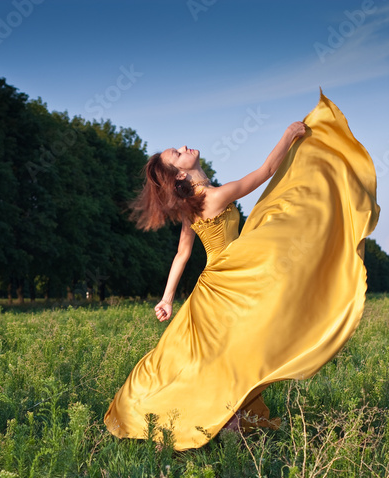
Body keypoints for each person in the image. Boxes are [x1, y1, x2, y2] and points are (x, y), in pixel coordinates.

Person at [104, 91, 380, 450]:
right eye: (177, 152)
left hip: (217, 283)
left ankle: (219, 416)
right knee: (233, 351)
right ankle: (216, 415)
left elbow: (182, 255)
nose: (183, 146)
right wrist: (289, 135)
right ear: (180, 172)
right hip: (232, 278)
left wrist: (168, 298)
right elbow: (265, 172)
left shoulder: (192, 207)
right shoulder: (215, 197)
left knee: (209, 356)